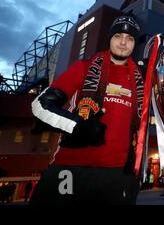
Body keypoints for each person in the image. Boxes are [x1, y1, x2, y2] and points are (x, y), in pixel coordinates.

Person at [30, 15, 145, 205]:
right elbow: (40, 105)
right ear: (109, 38)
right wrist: (77, 126)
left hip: (118, 176)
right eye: (118, 36)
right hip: (70, 170)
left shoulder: (141, 80)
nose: (124, 43)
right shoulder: (83, 68)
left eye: (130, 38)